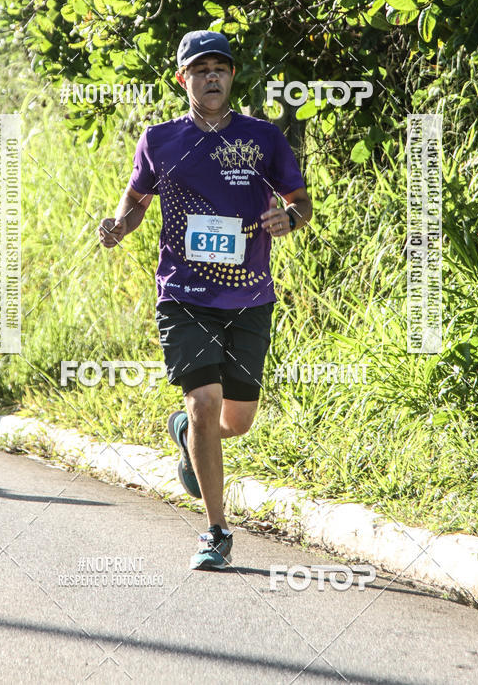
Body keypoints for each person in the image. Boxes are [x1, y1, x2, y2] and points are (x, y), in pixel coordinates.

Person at [98, 30, 312, 570]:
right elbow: (137, 196)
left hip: (248, 294)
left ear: (232, 77)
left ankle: (187, 434)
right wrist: (121, 225)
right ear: (182, 79)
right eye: (200, 69)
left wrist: (288, 217)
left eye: (220, 67)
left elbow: (301, 202)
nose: (211, 76)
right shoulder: (160, 140)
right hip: (184, 293)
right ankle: (216, 531)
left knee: (235, 421)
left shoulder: (262, 138)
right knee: (205, 402)